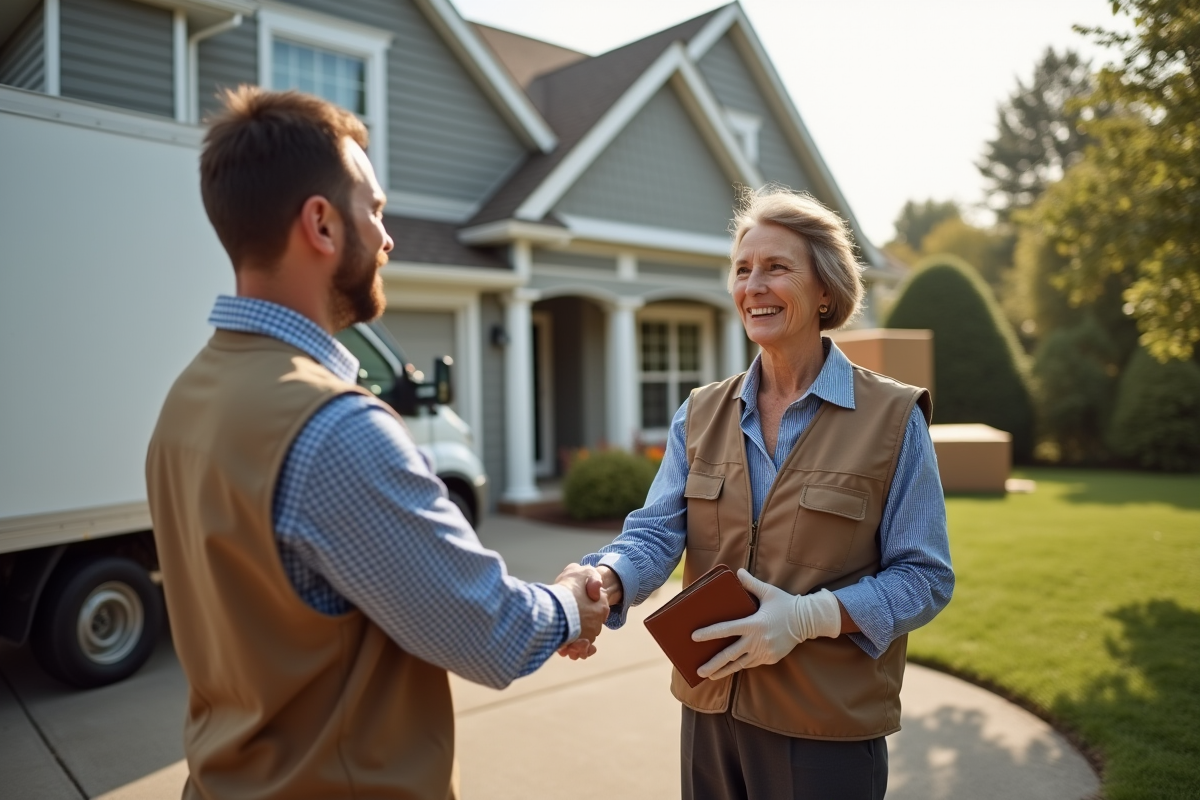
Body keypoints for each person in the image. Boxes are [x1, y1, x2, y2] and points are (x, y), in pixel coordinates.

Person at [145, 86, 607, 800]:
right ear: (322, 225)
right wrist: (576, 600)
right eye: (377, 211)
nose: (388, 239)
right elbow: (494, 632)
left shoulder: (187, 398)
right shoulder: (332, 428)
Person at [568, 187, 954, 799]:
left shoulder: (893, 418)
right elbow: (656, 533)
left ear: (825, 289)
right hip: (709, 711)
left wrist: (806, 617)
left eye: (777, 268)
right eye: (743, 270)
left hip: (826, 728)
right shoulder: (699, 412)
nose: (754, 286)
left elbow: (925, 577)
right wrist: (604, 581)